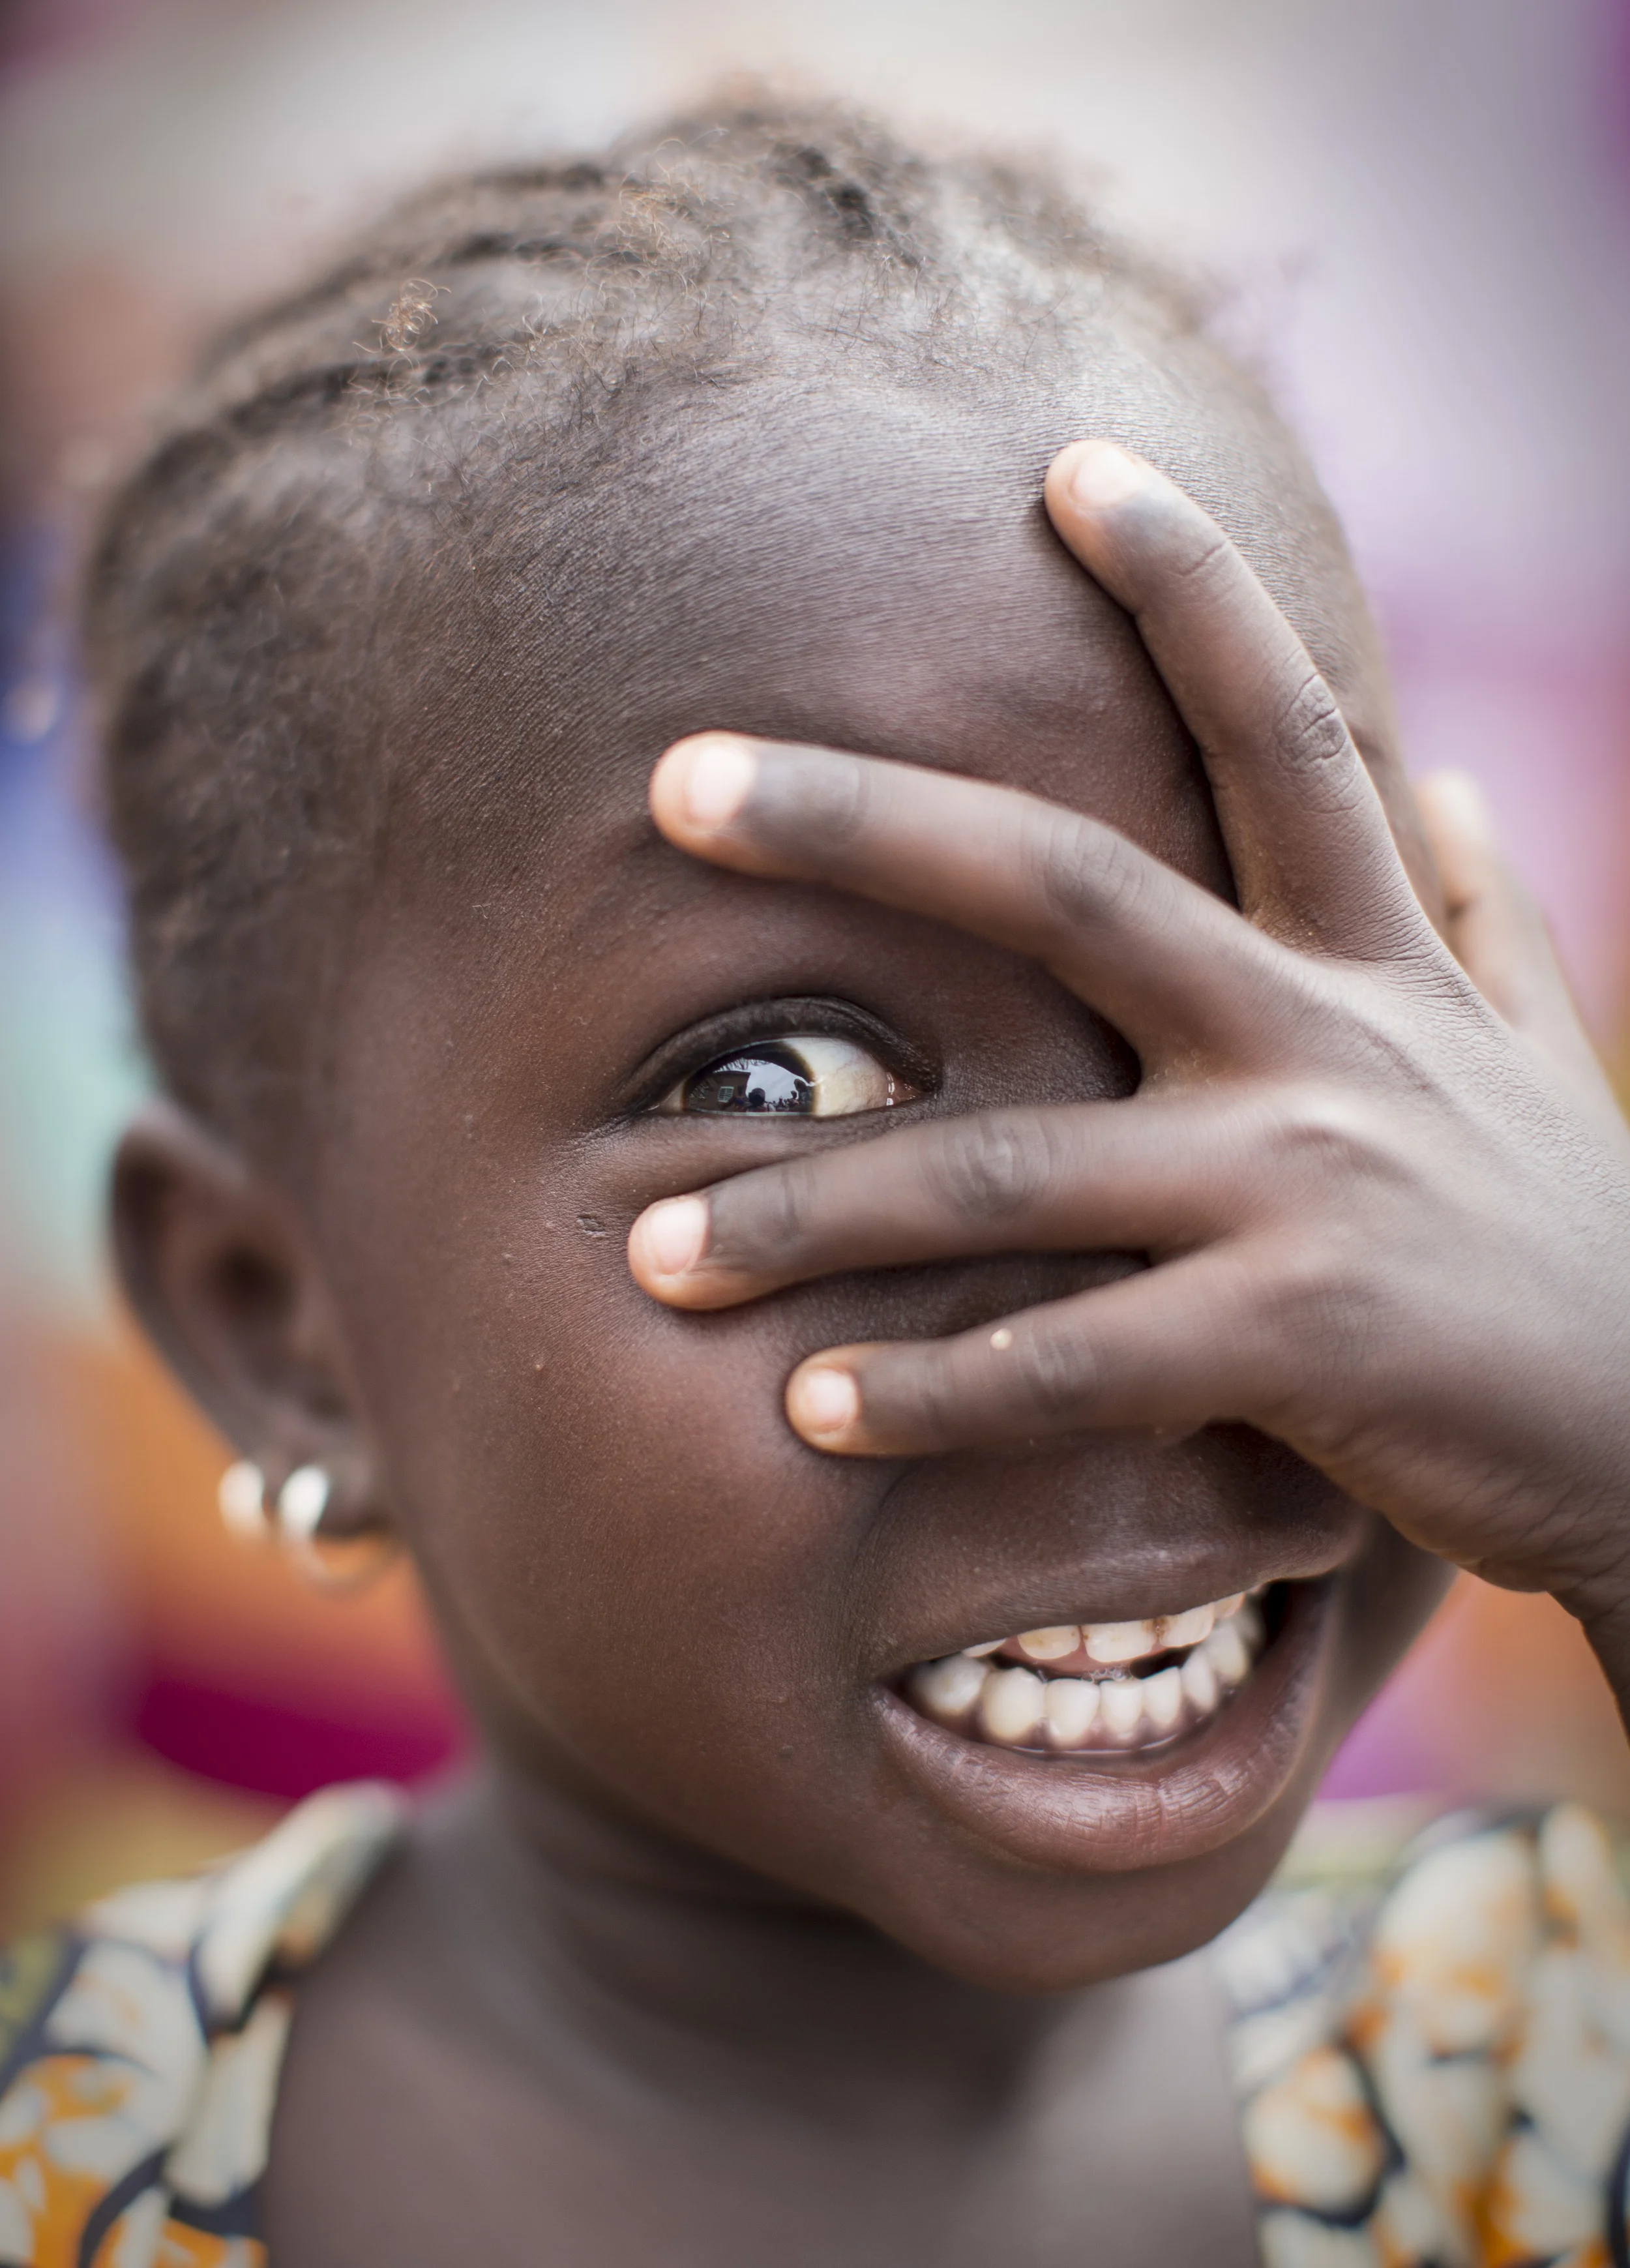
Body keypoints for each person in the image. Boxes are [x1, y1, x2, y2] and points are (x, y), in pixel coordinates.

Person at [2, 93, 1628, 2268]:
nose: (1160, 1304)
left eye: (1261, 1002)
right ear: (275, 1321)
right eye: (773, 1073)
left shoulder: (1551, 2059)